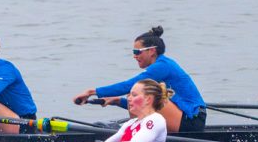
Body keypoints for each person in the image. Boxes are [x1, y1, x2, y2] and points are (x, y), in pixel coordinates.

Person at [72, 26, 206, 132]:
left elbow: (128, 86)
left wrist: (90, 92)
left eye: (137, 52)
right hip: (183, 116)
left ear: (152, 51)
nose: (135, 56)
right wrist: (117, 101)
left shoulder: (162, 66)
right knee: (137, 93)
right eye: (133, 52)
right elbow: (146, 104)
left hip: (191, 120)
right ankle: (136, 133)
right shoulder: (160, 65)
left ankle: (134, 135)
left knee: (136, 91)